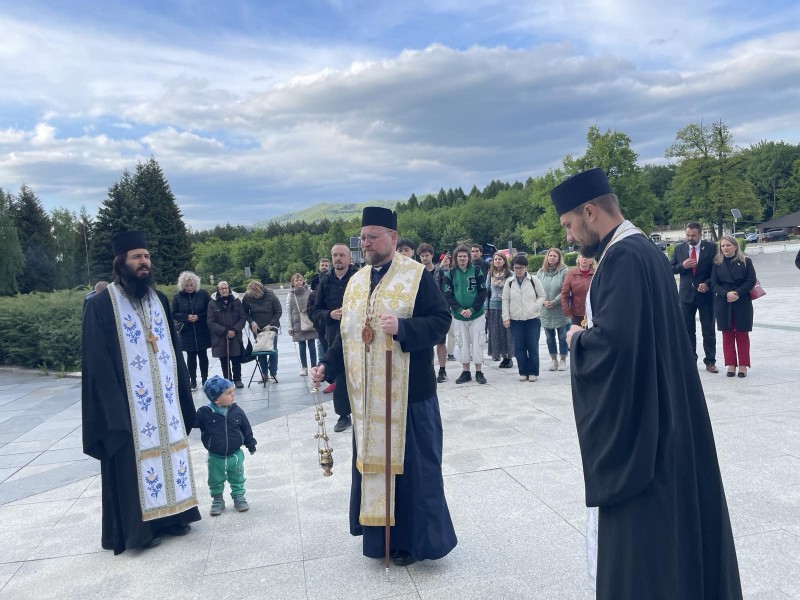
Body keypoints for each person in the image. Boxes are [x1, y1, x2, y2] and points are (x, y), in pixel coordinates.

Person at [550, 168, 741, 598]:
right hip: (668, 411)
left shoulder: (622, 257)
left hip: (646, 436)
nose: (568, 237)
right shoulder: (645, 251)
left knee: (647, 548)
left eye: (568, 225)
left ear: (590, 211)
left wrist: (578, 340)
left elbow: (616, 349)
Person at [310, 206, 456, 566]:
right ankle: (379, 541)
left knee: (414, 472)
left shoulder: (416, 276)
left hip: (410, 396)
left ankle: (414, 543)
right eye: (362, 238)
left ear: (392, 237)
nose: (366, 243)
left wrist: (404, 328)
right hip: (368, 400)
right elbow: (347, 336)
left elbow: (441, 321)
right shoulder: (357, 282)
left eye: (372, 237)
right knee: (374, 468)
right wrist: (326, 366)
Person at [81, 231, 201, 554]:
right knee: (134, 464)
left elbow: (174, 351)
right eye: (137, 257)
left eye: (146, 256)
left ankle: (175, 516)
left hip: (165, 404)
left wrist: (182, 397)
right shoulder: (102, 305)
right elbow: (96, 363)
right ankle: (141, 531)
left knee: (171, 454)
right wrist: (113, 411)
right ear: (121, 262)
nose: (144, 262)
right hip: (129, 409)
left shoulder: (158, 299)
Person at [311, 243, 358, 430]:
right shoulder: (325, 281)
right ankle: (343, 415)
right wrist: (329, 314)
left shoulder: (358, 277)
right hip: (333, 335)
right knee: (340, 375)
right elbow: (315, 311)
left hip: (357, 332)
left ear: (349, 258)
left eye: (342, 255)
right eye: (335, 255)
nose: (338, 258)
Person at [197, 375, 257, 515]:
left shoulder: (236, 410)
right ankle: (218, 499)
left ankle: (238, 496)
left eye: (232, 391)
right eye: (228, 393)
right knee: (215, 479)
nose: (233, 395)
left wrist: (250, 444)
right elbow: (191, 423)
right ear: (216, 399)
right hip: (215, 457)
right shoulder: (205, 413)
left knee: (237, 477)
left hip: (235, 455)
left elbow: (246, 428)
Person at [671, 223, 719, 373]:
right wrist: (682, 266)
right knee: (687, 331)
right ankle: (690, 362)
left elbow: (717, 270)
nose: (690, 238)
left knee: (708, 331)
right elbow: (670, 268)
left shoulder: (711, 248)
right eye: (687, 235)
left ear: (700, 235)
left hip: (706, 296)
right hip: (686, 296)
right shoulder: (679, 249)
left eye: (693, 235)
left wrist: (708, 284)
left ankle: (710, 361)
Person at [710, 235, 756, 378]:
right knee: (727, 334)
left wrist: (737, 293)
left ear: (735, 246)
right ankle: (730, 364)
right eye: (723, 246)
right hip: (723, 302)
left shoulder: (746, 261)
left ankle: (743, 365)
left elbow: (751, 280)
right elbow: (714, 284)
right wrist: (725, 294)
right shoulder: (717, 263)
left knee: (742, 334)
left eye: (728, 245)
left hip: (741, 301)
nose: (725, 248)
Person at [443, 244, 488, 384]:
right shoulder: (451, 273)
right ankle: (466, 371)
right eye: (459, 256)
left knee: (478, 341)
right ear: (456, 258)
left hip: (477, 314)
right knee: (462, 343)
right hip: (459, 315)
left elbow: (483, 292)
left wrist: (473, 309)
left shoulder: (476, 270)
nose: (462, 259)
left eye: (464, 256)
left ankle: (479, 371)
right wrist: (459, 310)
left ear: (469, 257)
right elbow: (448, 294)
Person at [502, 255, 545, 381]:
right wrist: (505, 317)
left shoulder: (533, 280)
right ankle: (523, 371)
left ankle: (533, 372)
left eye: (521, 268)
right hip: (516, 319)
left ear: (526, 267)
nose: (518, 270)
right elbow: (505, 300)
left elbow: (542, 295)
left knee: (532, 346)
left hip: (532, 318)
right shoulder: (509, 282)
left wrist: (535, 306)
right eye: (516, 268)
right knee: (519, 347)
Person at [172, 271, 212, 390]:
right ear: (182, 285)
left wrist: (198, 316)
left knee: (203, 355)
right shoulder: (178, 297)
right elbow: (174, 313)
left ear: (195, 284)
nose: (189, 288)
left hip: (202, 329)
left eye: (191, 285)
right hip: (187, 331)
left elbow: (210, 310)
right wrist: (186, 317)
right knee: (191, 356)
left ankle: (205, 380)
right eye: (186, 285)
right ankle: (193, 381)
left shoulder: (203, 294)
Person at [418, 243, 449, 382]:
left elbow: (444, 292)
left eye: (427, 255)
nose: (425, 258)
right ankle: (427, 369)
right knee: (425, 343)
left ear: (432, 255)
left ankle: (442, 370)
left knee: (441, 342)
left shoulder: (440, 272)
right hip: (422, 313)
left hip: (437, 312)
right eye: (422, 256)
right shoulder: (416, 273)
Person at [207, 281, 247, 387]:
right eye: (222, 288)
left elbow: (242, 317)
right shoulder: (212, 303)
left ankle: (238, 379)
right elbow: (210, 322)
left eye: (226, 288)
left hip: (235, 335)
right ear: (218, 290)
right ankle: (228, 380)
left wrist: (234, 330)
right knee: (224, 360)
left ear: (229, 289)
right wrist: (224, 331)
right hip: (220, 337)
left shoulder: (236, 301)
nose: (224, 290)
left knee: (236, 358)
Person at [538, 248, 571, 371]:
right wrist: (543, 301)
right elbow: (537, 289)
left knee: (562, 337)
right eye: (550, 255)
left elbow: (566, 290)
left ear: (559, 258)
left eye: (554, 256)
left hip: (560, 310)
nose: (551, 258)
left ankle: (563, 360)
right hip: (545, 310)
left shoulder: (565, 271)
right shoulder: (541, 272)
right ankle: (553, 360)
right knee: (549, 338)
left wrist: (554, 302)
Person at [242, 280, 282, 383]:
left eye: (257, 296)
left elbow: (278, 311)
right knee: (260, 351)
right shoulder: (247, 296)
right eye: (254, 296)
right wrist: (252, 322)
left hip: (271, 328)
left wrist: (270, 324)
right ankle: (264, 374)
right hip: (257, 329)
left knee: (272, 350)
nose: (256, 298)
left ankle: (273, 373)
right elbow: (244, 312)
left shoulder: (270, 294)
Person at [486, 252, 514, 368]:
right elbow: (487, 292)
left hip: (507, 307)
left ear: (504, 261)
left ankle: (509, 358)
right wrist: (486, 307)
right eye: (495, 259)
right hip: (494, 307)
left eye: (500, 259)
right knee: (496, 333)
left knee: (508, 334)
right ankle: (502, 356)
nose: (497, 261)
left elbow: (514, 290)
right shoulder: (490, 274)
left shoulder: (510, 274)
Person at [287, 273, 317, 376]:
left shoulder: (309, 292)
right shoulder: (290, 295)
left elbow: (315, 306)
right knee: (301, 345)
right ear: (293, 283)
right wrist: (290, 327)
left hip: (309, 321)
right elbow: (288, 311)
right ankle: (304, 368)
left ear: (303, 281)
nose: (299, 282)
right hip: (297, 323)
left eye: (300, 280)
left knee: (312, 344)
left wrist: (309, 310)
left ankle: (314, 366)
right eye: (296, 280)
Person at [561, 254, 595, 327]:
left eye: (587, 257)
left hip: (594, 313)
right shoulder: (571, 273)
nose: (584, 259)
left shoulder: (596, 273)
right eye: (582, 257)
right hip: (577, 314)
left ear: (591, 261)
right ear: (578, 260)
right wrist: (567, 311)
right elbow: (564, 294)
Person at [439, 252, 457, 362]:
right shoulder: (438, 272)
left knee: (452, 332)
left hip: (451, 305)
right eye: (444, 259)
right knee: (441, 333)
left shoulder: (453, 272)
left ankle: (450, 353)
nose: (446, 261)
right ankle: (441, 351)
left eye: (448, 259)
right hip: (441, 305)